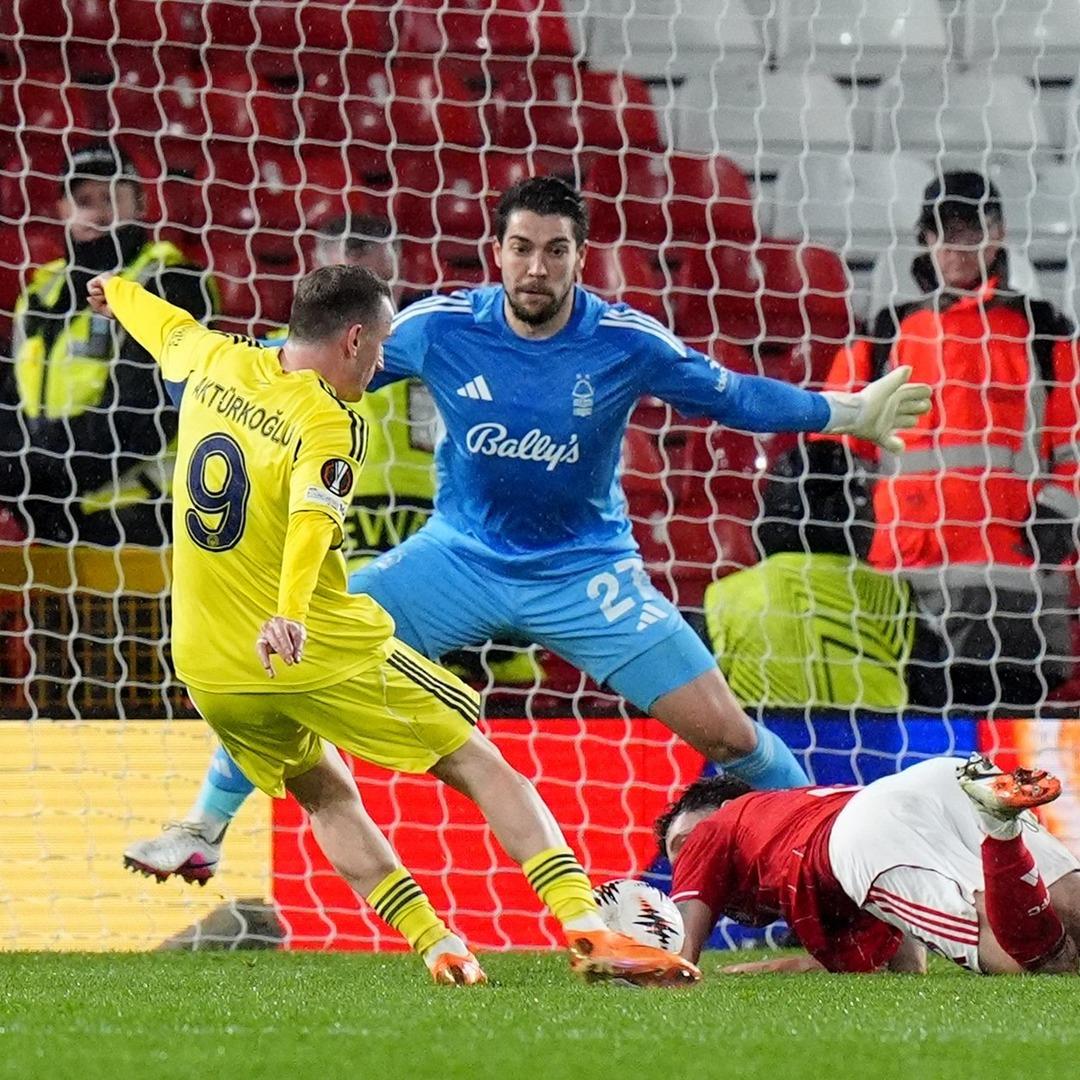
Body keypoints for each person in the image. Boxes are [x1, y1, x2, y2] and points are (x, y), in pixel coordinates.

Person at [125, 175, 931, 885]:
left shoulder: (622, 340)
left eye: (554, 250)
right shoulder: (442, 327)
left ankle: (833, 870)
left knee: (727, 733)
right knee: (290, 661)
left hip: (585, 573)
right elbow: (310, 357)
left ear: (581, 258)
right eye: (521, 248)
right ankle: (203, 829)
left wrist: (847, 411)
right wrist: (229, 369)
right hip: (458, 559)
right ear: (498, 252)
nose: (535, 267)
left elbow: (728, 395)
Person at [89, 262, 700, 988]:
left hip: (206, 664)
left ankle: (438, 945)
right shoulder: (327, 418)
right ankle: (591, 931)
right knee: (477, 758)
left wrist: (117, 293)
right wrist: (287, 612)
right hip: (309, 645)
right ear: (352, 339)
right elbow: (314, 521)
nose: (380, 363)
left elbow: (167, 327)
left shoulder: (214, 357)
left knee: (322, 791)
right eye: (379, 348)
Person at [821, 170, 1080, 712]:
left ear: (997, 233)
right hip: (900, 585)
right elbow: (835, 449)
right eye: (940, 232)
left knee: (1010, 759)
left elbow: (1072, 443)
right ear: (924, 239)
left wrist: (1056, 517)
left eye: (966, 230)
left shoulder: (1044, 330)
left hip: (1012, 586)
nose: (952, 246)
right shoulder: (884, 334)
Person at [657, 753, 1080, 975]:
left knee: (1024, 960)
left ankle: (1000, 833)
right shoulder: (787, 822)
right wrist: (794, 965)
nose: (685, 864)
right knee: (1070, 900)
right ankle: (997, 822)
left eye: (683, 844)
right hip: (935, 779)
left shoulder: (718, 828)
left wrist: (633, 956)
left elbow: (679, 960)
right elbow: (907, 965)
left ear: (724, 808)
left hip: (861, 834)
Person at [0, 141, 215, 545]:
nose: (98, 211)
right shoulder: (40, 293)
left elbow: (143, 413)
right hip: (49, 510)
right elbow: (12, 399)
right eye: (84, 199)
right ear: (63, 209)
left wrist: (36, 472)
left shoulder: (168, 282)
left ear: (140, 202)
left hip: (146, 513)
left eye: (111, 196)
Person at [703, 441, 922, 711]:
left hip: (769, 747)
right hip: (875, 747)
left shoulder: (725, 598)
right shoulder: (895, 596)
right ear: (859, 516)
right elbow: (933, 705)